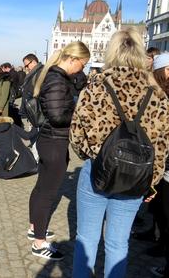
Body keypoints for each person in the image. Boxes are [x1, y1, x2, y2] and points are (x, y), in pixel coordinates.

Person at [70, 27, 169, 277]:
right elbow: (162, 146)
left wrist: (93, 154)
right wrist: (152, 182)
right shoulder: (157, 94)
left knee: (86, 239)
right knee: (118, 243)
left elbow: (76, 137)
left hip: (97, 172)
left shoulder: (95, 87)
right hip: (135, 178)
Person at [29, 41, 90, 260]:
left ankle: (34, 228)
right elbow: (57, 116)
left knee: (40, 188)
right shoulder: (56, 80)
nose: (82, 69)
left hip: (50, 141)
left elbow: (80, 84)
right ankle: (39, 243)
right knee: (47, 193)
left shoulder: (57, 77)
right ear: (72, 59)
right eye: (82, 64)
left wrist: (79, 77)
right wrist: (80, 115)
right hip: (55, 142)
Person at [149, 53, 169, 277]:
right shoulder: (158, 93)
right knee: (161, 213)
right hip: (163, 167)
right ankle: (161, 244)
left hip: (166, 164)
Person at [19, 53, 44, 123]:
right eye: (25, 66)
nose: (26, 68)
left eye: (27, 65)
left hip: (37, 113)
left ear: (33, 62)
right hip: (32, 112)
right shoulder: (33, 73)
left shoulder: (40, 73)